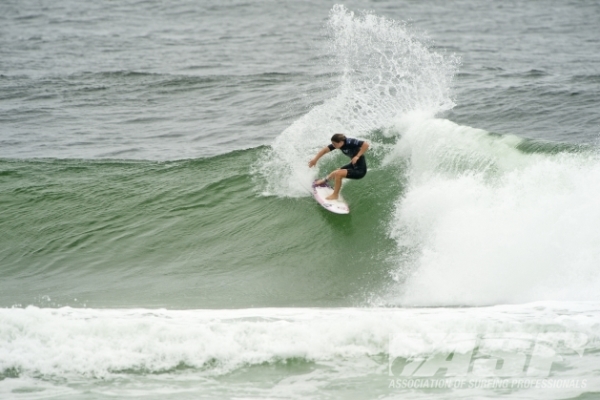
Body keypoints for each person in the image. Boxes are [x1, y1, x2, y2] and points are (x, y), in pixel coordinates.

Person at [308, 133, 369, 200]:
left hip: (360, 170)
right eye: (333, 144)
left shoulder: (350, 142)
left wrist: (357, 156)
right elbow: (325, 150)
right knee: (336, 172)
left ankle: (335, 195)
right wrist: (315, 160)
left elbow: (366, 144)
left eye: (334, 144)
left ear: (340, 142)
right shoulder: (339, 145)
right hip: (353, 165)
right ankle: (324, 181)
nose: (333, 145)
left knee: (338, 174)